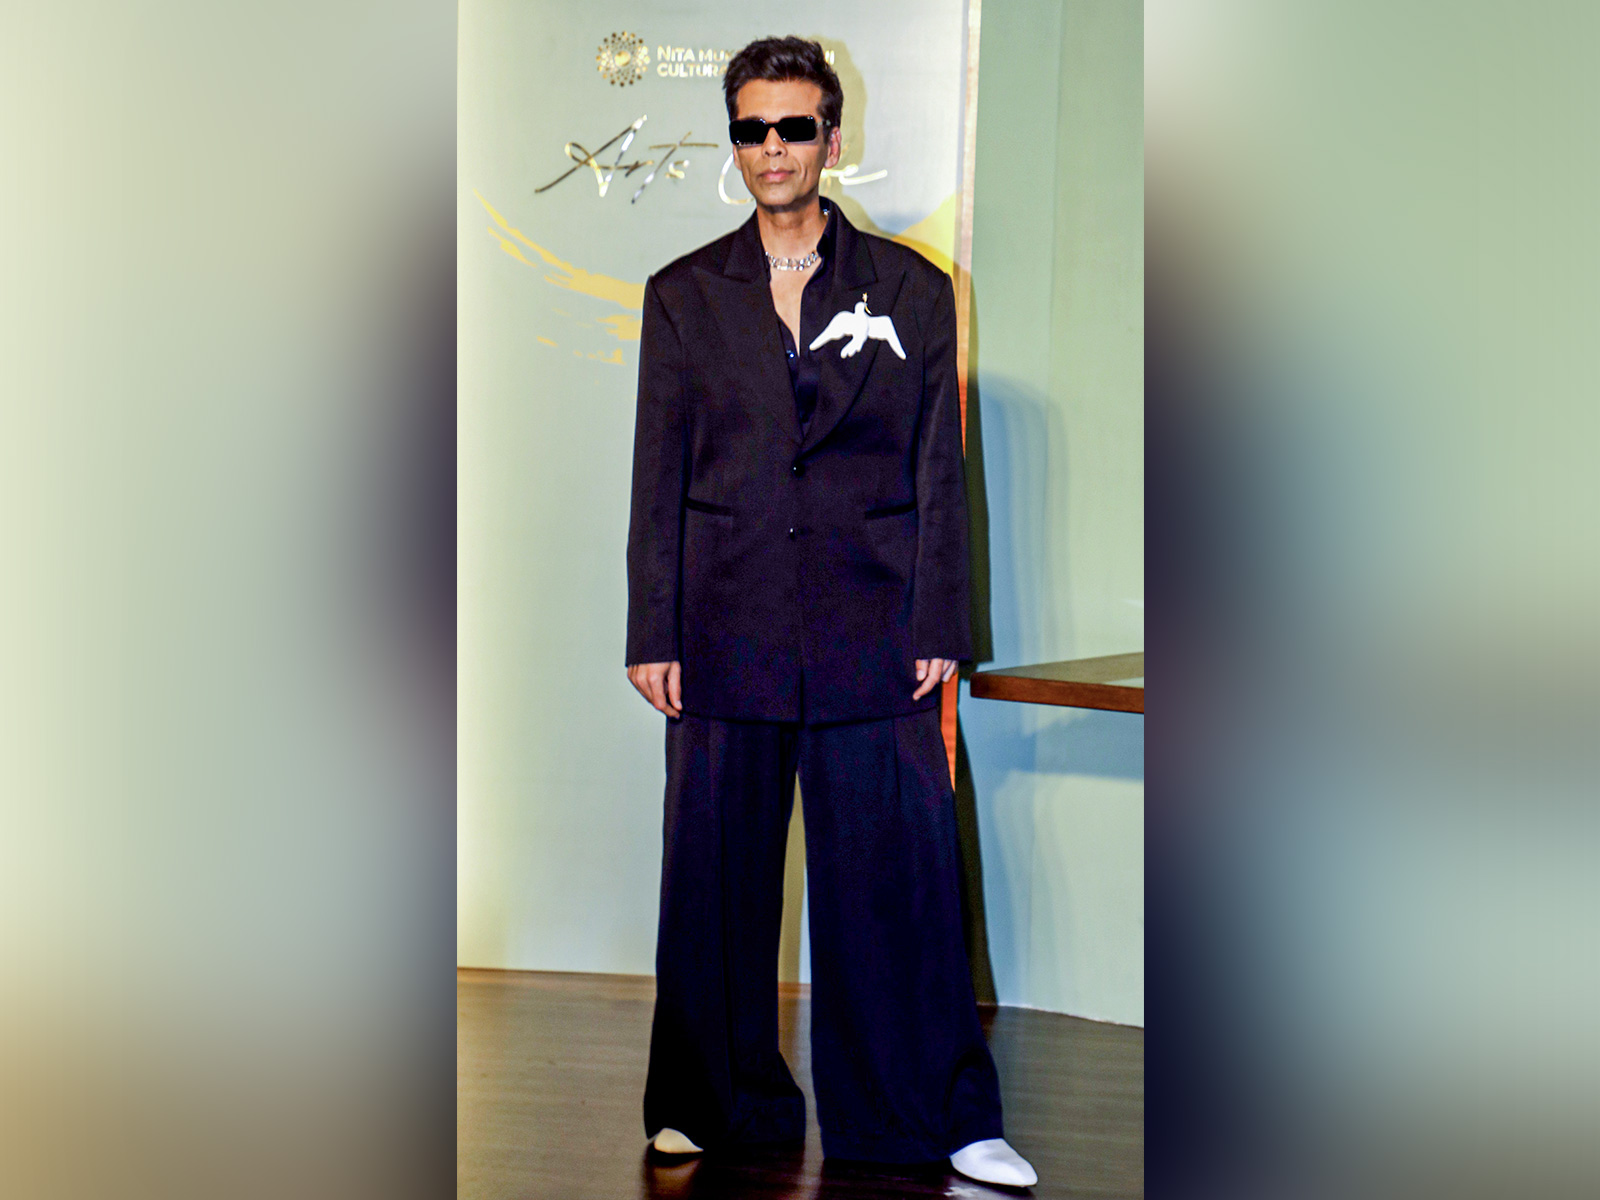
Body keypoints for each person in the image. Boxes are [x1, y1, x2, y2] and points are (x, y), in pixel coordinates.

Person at [624, 36, 1037, 1189]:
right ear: (735, 142)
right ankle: (710, 1100)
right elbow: (658, 477)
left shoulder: (910, 289)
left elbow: (938, 467)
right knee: (712, 880)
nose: (772, 149)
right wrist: (652, 630)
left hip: (874, 630)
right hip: (723, 627)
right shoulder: (681, 296)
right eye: (751, 129)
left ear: (831, 139)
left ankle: (933, 1115)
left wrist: (938, 622)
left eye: (793, 127)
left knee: (897, 882)